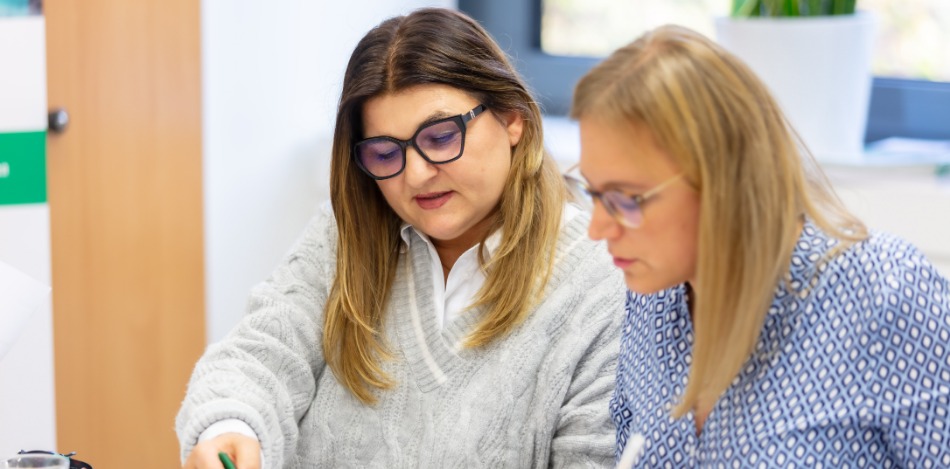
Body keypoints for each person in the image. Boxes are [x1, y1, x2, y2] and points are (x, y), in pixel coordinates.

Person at [176, 7, 625, 469]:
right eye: (385, 152)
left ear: (514, 119)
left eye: (441, 137)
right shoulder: (346, 234)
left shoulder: (601, 286)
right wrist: (230, 428)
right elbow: (261, 354)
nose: (415, 175)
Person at [566, 24, 950, 467]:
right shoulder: (652, 297)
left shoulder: (884, 293)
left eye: (625, 199)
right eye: (594, 194)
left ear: (722, 180)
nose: (598, 229)